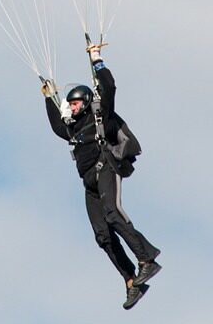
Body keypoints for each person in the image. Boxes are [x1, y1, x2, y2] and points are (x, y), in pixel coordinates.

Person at [41, 43, 161, 310]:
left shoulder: (100, 116)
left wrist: (97, 59)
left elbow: (109, 89)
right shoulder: (72, 129)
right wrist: (48, 96)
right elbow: (57, 127)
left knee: (113, 214)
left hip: (105, 167)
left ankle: (147, 260)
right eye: (68, 104)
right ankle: (132, 282)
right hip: (89, 182)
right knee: (102, 236)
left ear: (84, 103)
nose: (70, 107)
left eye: (74, 103)